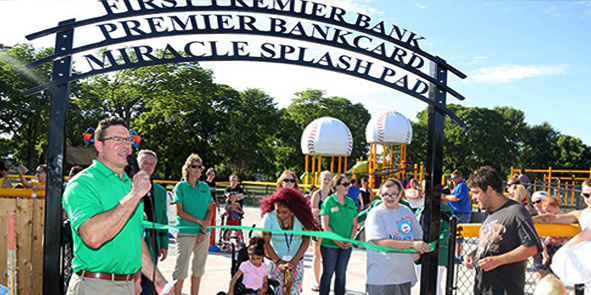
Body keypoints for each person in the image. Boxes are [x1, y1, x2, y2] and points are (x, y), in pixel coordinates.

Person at [62, 117, 173, 295]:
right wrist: (134, 195)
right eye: (117, 140)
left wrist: (158, 280)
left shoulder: (128, 184)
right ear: (99, 146)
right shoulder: (82, 184)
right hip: (95, 286)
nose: (126, 146)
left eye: (128, 140)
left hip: (127, 286)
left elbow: (134, 239)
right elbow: (93, 236)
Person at [464, 166, 541, 295]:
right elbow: (492, 243)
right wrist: (474, 253)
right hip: (482, 288)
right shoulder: (488, 213)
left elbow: (532, 247)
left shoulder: (516, 211)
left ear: (489, 189)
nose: (473, 197)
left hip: (506, 289)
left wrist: (498, 260)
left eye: (476, 192)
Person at [365, 178, 431, 295]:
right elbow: (380, 241)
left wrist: (417, 250)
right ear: (380, 195)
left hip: (403, 277)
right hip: (382, 278)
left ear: (400, 194)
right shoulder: (376, 214)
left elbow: (417, 234)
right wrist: (412, 244)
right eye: (386, 195)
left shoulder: (406, 211)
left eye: (393, 194)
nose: (390, 198)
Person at [260, 188, 320, 295]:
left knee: (294, 292)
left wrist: (294, 261)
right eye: (277, 211)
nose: (280, 215)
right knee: (276, 292)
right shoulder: (268, 217)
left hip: (296, 262)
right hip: (275, 263)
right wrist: (278, 262)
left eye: (284, 212)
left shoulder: (301, 217)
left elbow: (306, 240)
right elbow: (265, 243)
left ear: (292, 210)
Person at [172, 153, 214, 295]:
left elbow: (210, 209)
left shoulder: (205, 187)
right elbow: (179, 211)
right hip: (185, 232)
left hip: (203, 233)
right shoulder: (180, 187)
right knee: (181, 269)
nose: (197, 169)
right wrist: (199, 221)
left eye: (199, 167)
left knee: (198, 268)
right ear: (188, 168)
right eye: (194, 166)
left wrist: (203, 228)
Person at [137, 149, 170, 295]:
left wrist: (163, 244)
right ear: (138, 164)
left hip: (153, 243)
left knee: (150, 281)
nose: (148, 167)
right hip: (133, 241)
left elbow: (163, 218)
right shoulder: (127, 186)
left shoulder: (160, 191)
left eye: (151, 164)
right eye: (145, 163)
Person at [319, 174, 358, 295]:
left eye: (349, 184)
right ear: (336, 186)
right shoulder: (329, 202)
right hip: (330, 245)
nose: (348, 187)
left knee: (341, 275)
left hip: (347, 246)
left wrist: (350, 240)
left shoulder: (350, 202)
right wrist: (338, 241)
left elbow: (354, 224)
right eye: (345, 184)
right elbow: (325, 226)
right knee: (328, 273)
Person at [310, 170, 332, 292]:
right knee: (317, 255)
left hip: (330, 228)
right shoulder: (316, 195)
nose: (327, 181)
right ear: (320, 180)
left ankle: (326, 281)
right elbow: (314, 213)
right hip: (318, 228)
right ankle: (316, 281)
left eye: (329, 179)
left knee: (329, 256)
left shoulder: (333, 194)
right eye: (325, 178)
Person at [204, 167, 221, 247]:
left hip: (213, 204)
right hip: (207, 204)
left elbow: (215, 195)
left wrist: (218, 205)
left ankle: (212, 240)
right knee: (206, 220)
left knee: (212, 221)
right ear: (207, 174)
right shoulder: (204, 183)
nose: (211, 176)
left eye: (213, 174)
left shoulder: (213, 184)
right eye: (210, 174)